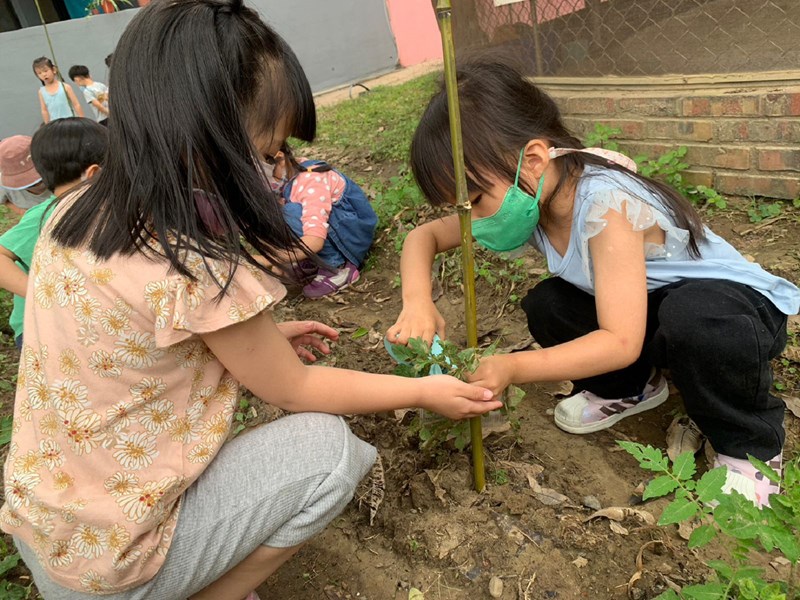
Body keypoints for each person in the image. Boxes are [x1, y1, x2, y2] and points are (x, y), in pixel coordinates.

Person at [0, 3, 501, 599]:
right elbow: (295, 389)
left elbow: (120, 340)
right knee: (329, 454)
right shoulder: (189, 260)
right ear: (205, 131)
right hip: (116, 566)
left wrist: (241, 343)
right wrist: (424, 391)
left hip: (49, 528)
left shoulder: (74, 210)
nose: (274, 170)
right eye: (267, 153)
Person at [388, 60, 800, 508]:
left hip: (735, 315)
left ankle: (748, 447)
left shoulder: (606, 205)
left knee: (695, 318)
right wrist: (417, 303)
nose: (472, 219)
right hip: (653, 311)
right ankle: (631, 388)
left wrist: (511, 367)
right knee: (550, 305)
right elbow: (422, 236)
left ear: (533, 159)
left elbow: (621, 339)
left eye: (474, 202)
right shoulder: (531, 195)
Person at [0, 118, 106, 352]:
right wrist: (40, 291)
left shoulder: (88, 211)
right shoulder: (44, 216)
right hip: (37, 325)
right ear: (94, 173)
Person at [267, 144, 377, 298]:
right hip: (332, 231)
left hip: (352, 236)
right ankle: (315, 260)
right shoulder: (291, 176)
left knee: (290, 213)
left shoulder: (310, 179)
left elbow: (315, 236)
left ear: (280, 159)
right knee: (273, 211)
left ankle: (337, 266)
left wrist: (281, 257)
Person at [0, 135, 52, 216]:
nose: (38, 185)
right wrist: (22, 212)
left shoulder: (66, 170)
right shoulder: (4, 188)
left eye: (41, 179)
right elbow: (4, 200)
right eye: (32, 184)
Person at [33, 57, 84, 123]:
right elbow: (44, 110)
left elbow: (76, 104)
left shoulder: (65, 87)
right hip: (55, 124)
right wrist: (47, 125)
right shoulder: (41, 92)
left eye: (46, 71)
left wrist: (82, 121)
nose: (44, 74)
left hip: (70, 121)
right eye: (39, 73)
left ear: (54, 70)